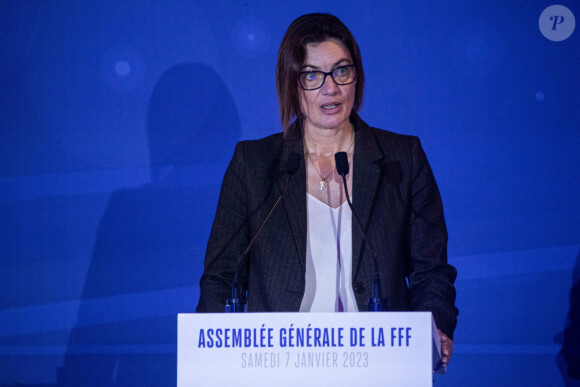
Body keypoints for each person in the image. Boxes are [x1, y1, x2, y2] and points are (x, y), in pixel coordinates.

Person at [196, 13, 458, 367]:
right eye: (312, 76)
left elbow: (431, 271)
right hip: (277, 365)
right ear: (292, 84)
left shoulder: (402, 159)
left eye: (341, 71)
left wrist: (433, 329)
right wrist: (217, 359)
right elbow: (221, 275)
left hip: (379, 363)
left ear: (357, 77)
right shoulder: (254, 164)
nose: (330, 88)